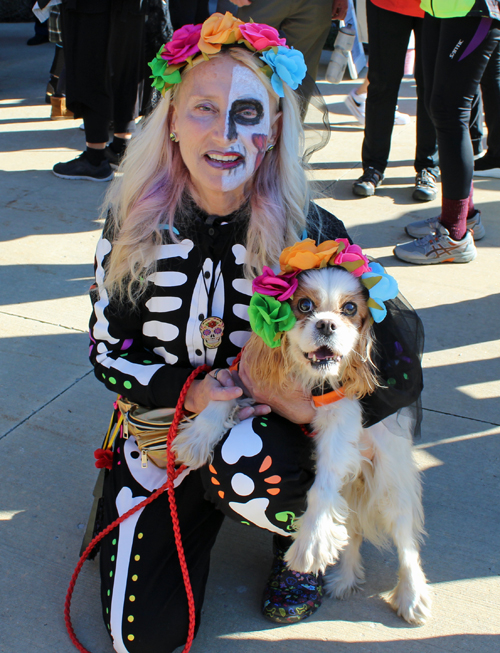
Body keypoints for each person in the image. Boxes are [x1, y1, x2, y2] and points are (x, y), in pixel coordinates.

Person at [88, 13, 423, 651]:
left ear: (272, 128)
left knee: (257, 461)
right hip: (168, 429)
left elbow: (400, 350)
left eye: (247, 112)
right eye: (204, 109)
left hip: (270, 439)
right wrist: (189, 393)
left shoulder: (313, 228)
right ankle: (149, 499)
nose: (225, 133)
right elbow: (107, 353)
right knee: (145, 640)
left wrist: (342, 411)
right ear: (173, 121)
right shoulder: (130, 227)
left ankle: (292, 541)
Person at [395, 0, 500, 264]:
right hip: (439, 7)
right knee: (437, 106)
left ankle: (454, 235)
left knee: (449, 111)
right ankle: (466, 216)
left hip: (473, 9)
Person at [351, 0, 439, 202]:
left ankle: (428, 167)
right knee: (381, 84)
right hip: (387, 4)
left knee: (432, 87)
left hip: (437, 7)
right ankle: (373, 166)